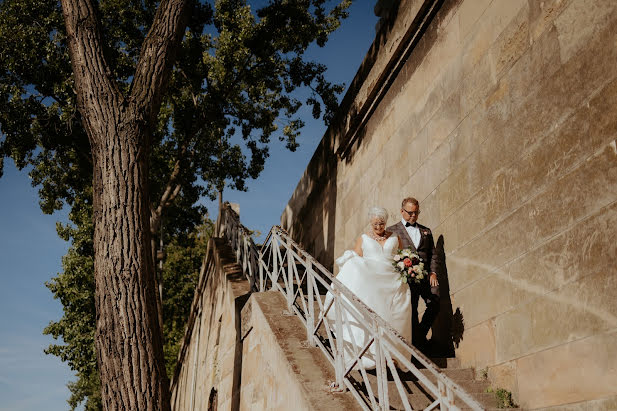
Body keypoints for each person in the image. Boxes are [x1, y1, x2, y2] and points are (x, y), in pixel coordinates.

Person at [324, 207, 411, 369]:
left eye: (381, 223)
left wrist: (408, 266)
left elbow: (402, 256)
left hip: (392, 281)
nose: (378, 227)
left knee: (394, 317)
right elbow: (355, 258)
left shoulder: (395, 237)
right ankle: (374, 355)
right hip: (372, 282)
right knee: (375, 313)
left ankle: (393, 355)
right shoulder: (363, 238)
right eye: (375, 224)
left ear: (386, 222)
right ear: (371, 223)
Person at [387, 197, 443, 352]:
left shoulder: (426, 231)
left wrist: (433, 273)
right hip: (406, 278)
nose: (413, 216)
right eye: (410, 213)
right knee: (411, 309)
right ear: (402, 211)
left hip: (425, 276)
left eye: (416, 213)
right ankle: (417, 344)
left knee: (435, 302)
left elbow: (433, 254)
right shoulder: (392, 231)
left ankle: (419, 336)